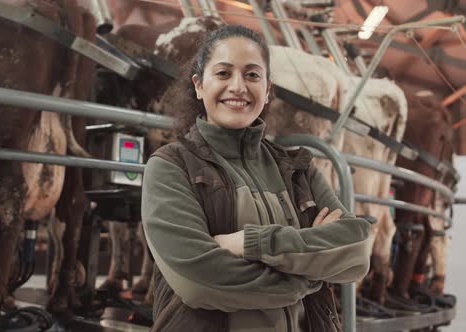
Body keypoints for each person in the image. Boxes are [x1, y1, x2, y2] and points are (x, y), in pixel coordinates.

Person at [141, 25, 371, 332]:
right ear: (199, 85)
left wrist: (251, 243)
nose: (238, 86)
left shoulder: (297, 167)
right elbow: (199, 281)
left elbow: (356, 250)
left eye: (252, 75)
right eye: (223, 73)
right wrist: (309, 274)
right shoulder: (171, 167)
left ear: (267, 90)